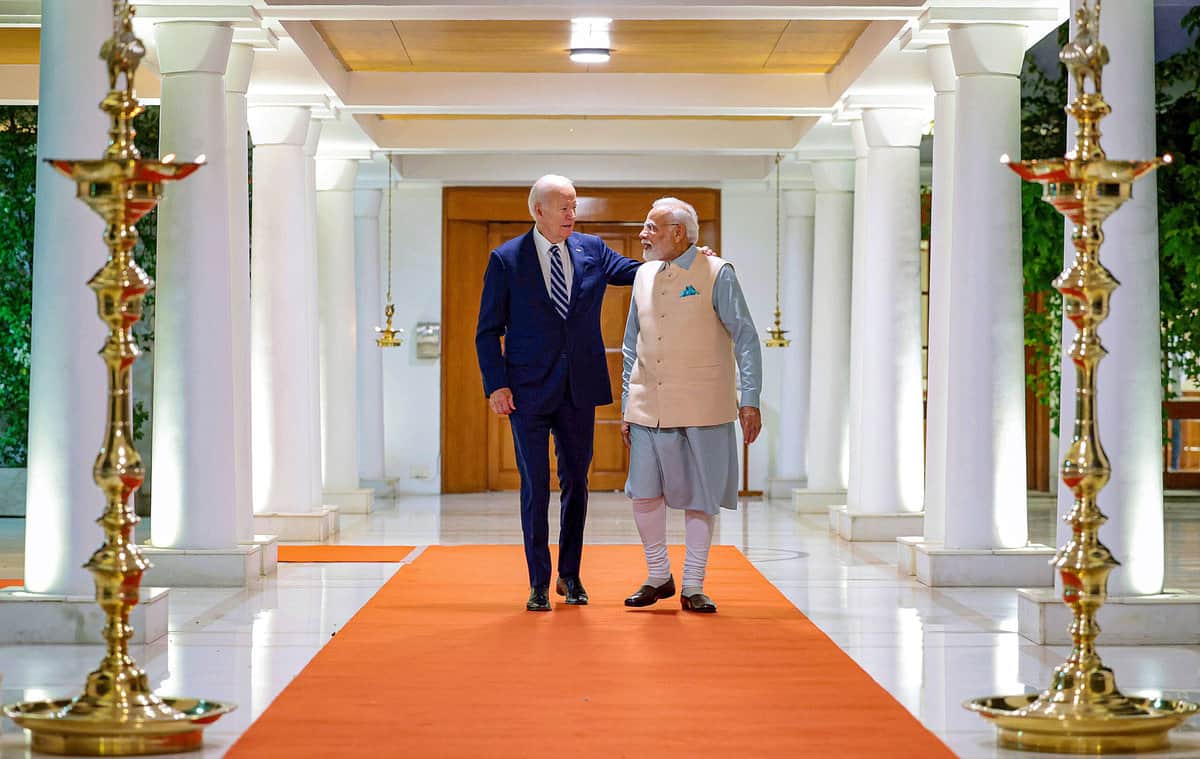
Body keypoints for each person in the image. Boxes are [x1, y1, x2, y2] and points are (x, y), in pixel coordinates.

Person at [475, 174, 641, 612]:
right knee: (535, 487)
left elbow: (636, 273)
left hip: (578, 389)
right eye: (563, 207)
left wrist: (684, 261)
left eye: (574, 206)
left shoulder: (593, 250)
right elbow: (488, 331)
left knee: (577, 483)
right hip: (526, 392)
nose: (572, 214)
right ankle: (537, 581)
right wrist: (496, 385)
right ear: (538, 211)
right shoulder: (506, 259)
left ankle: (570, 576)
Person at [620, 197, 762, 614]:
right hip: (649, 406)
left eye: (651, 227)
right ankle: (658, 575)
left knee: (701, 496)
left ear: (678, 233)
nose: (642, 235)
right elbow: (632, 345)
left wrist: (749, 399)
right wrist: (629, 403)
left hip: (704, 405)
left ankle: (694, 584)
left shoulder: (718, 272)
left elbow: (747, 337)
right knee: (643, 495)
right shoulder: (642, 275)